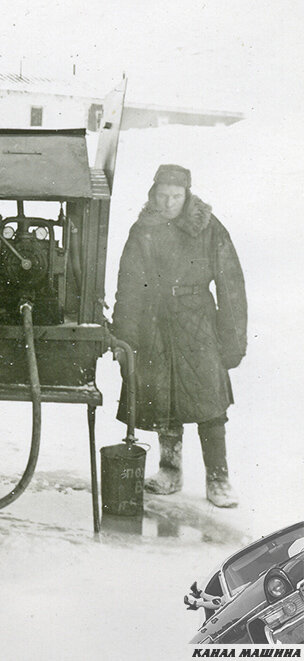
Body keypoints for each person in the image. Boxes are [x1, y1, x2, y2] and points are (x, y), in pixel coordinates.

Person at [111, 164, 247, 508]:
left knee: (209, 402)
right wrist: (125, 336)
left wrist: (233, 340)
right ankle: (169, 471)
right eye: (162, 195)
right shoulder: (143, 230)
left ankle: (219, 478)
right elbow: (129, 285)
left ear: (187, 196)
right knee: (163, 399)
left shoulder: (208, 228)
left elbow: (231, 286)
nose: (169, 202)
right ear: (152, 193)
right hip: (153, 323)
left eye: (175, 196)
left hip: (197, 324)